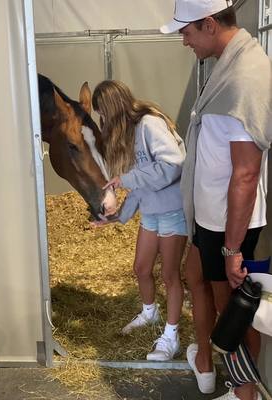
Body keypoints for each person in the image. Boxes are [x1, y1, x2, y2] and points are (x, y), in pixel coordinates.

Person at [160, 0, 272, 399]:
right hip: (213, 218)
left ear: (209, 24)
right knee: (209, 288)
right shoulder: (229, 66)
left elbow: (245, 173)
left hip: (229, 224)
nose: (184, 41)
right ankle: (219, 372)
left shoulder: (243, 77)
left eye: (186, 32)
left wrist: (232, 248)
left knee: (235, 313)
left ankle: (246, 394)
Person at [91, 80, 188, 361]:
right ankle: (150, 312)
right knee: (141, 268)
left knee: (170, 275)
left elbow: (173, 165)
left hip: (172, 210)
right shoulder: (130, 134)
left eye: (102, 113)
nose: (102, 120)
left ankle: (171, 336)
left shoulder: (149, 124)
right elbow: (141, 186)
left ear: (112, 107)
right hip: (151, 212)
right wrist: (117, 216)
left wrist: (125, 179)